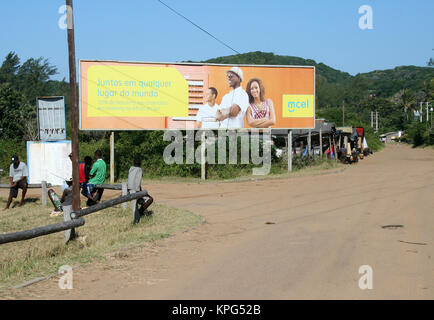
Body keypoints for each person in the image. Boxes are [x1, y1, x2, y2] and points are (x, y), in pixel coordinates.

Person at [128, 158, 153, 224]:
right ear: (140, 164)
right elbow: (137, 183)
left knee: (134, 206)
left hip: (130, 190)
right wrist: (140, 193)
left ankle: (139, 214)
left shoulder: (131, 169)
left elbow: (133, 182)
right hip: (135, 191)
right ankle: (137, 218)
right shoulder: (139, 170)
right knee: (149, 199)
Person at [60, 177, 76, 242]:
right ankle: (73, 236)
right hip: (73, 205)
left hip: (66, 206)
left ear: (66, 182)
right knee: (72, 220)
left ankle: (67, 239)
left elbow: (62, 199)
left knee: (67, 222)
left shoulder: (66, 190)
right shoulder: (76, 189)